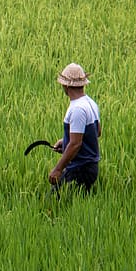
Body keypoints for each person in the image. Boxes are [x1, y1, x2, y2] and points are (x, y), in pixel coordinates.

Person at [48, 63, 101, 193]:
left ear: (66, 85)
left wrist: (58, 169)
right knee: (76, 205)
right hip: (90, 167)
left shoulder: (77, 109)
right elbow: (97, 132)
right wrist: (65, 141)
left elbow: (76, 144)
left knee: (55, 204)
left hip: (79, 170)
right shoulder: (90, 103)